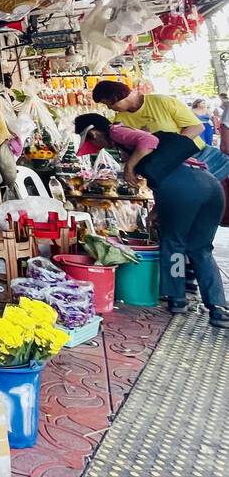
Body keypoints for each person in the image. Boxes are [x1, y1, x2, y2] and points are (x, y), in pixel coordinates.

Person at [75, 113, 228, 327]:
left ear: (93, 133)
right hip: (210, 185)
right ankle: (218, 307)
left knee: (173, 243)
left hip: (182, 188)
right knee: (201, 248)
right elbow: (162, 170)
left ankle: (177, 298)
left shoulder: (116, 131)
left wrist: (129, 166)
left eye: (93, 142)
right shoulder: (124, 139)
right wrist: (158, 207)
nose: (98, 147)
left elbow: (149, 142)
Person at [91, 81, 229, 180]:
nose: (109, 108)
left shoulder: (162, 101)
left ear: (116, 97)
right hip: (171, 167)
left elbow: (197, 127)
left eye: (108, 103)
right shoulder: (120, 120)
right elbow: (130, 149)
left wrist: (171, 150)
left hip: (202, 157)